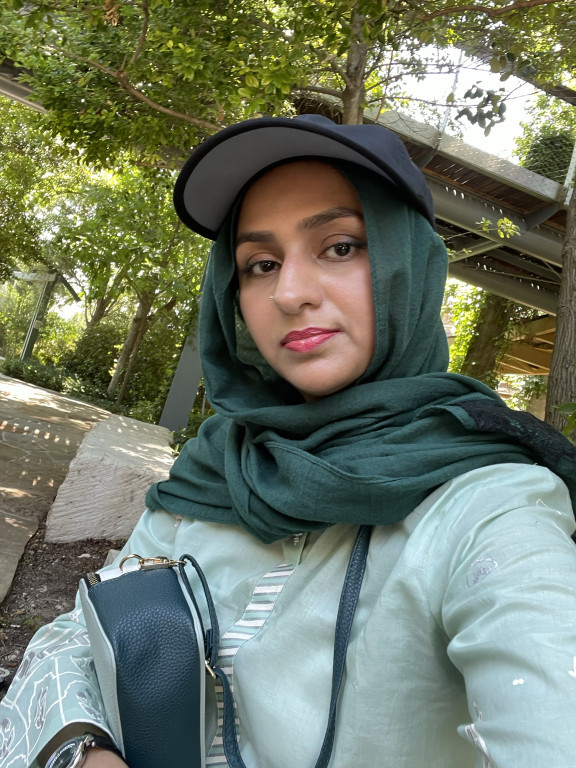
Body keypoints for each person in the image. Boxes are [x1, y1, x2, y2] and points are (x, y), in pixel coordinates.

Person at [2, 113, 576, 768]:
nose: (290, 292)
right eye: (262, 263)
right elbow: (80, 634)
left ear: (408, 264)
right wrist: (82, 751)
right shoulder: (217, 467)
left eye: (341, 247)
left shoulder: (489, 507)